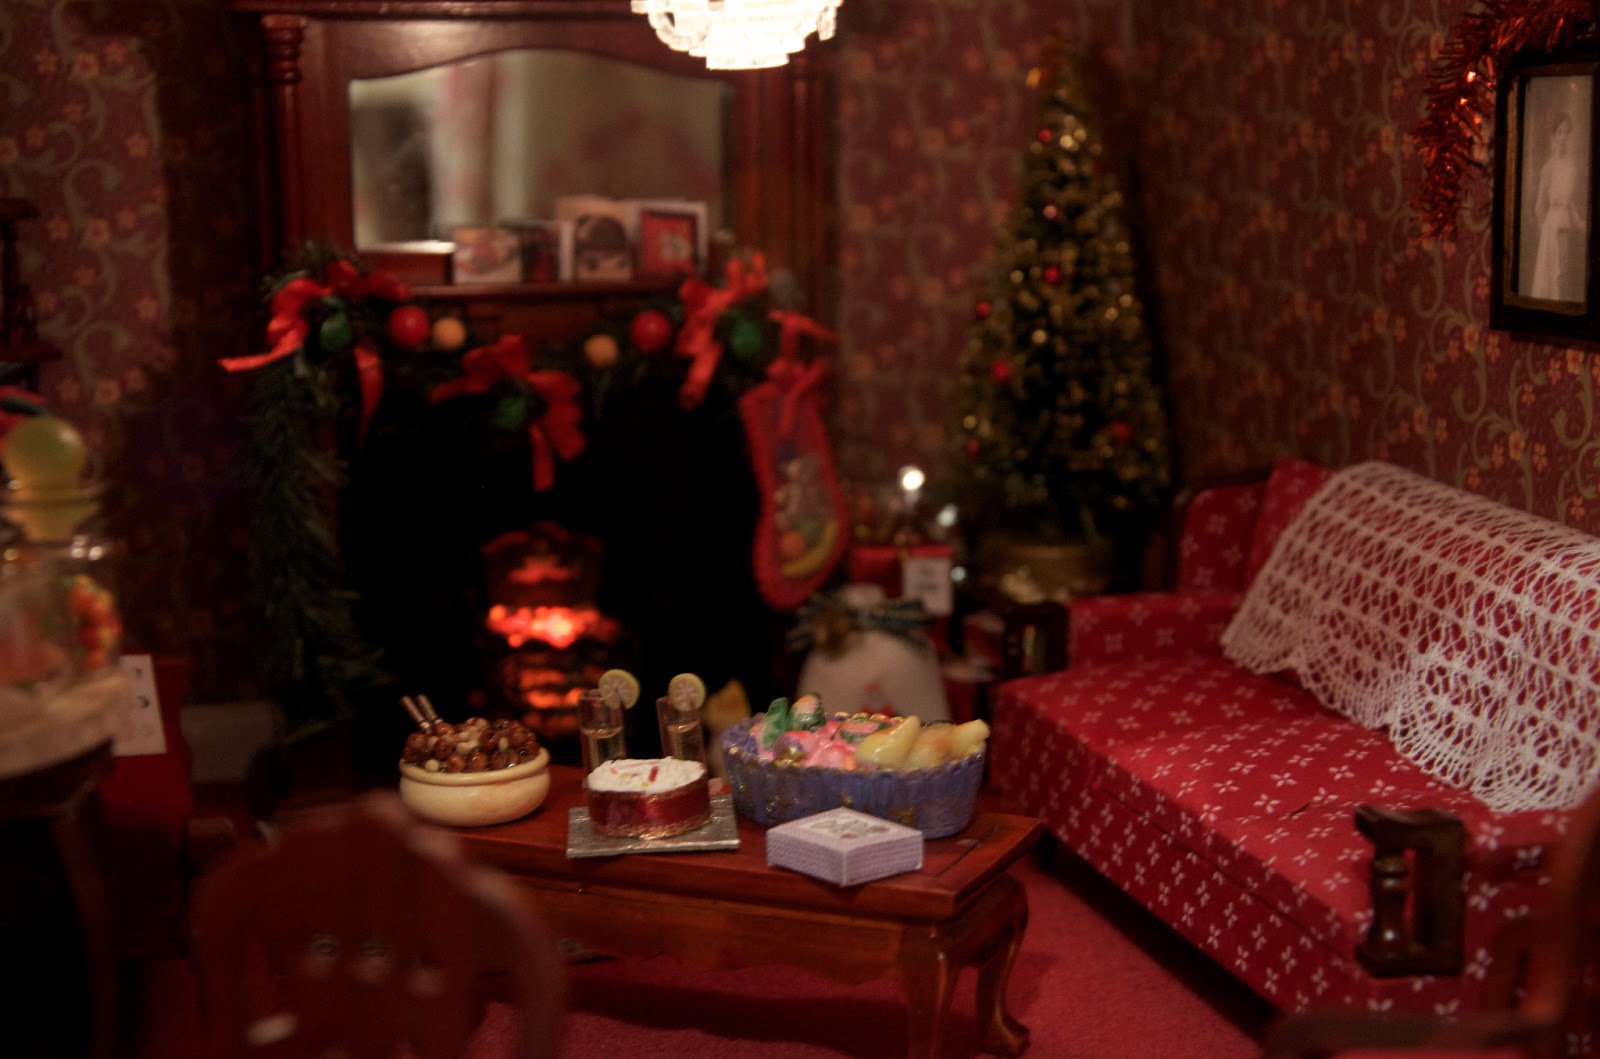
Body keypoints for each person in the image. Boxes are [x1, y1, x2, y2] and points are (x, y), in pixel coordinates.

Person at [1528, 110, 1586, 302]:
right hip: (1551, 229)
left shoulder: (1572, 167)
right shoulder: (1548, 168)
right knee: (1551, 275)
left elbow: (1570, 204)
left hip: (1566, 227)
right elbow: (1539, 207)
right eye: (1559, 132)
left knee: (1563, 276)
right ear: (1553, 136)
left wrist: (1580, 223)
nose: (1563, 137)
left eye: (1566, 132)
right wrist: (1545, 231)